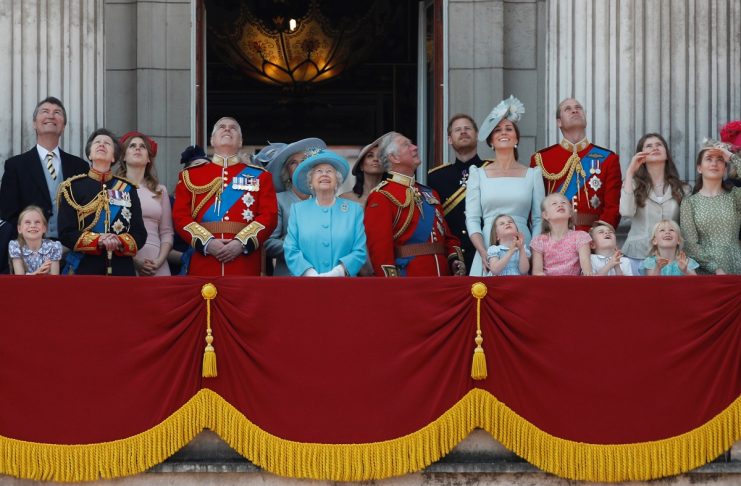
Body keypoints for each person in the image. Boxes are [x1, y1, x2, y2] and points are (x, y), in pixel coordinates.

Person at [172, 117, 278, 276]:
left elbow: (269, 216)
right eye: (221, 127)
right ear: (212, 140)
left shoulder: (260, 176)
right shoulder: (190, 176)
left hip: (244, 261)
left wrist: (241, 243)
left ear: (241, 142)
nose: (227, 129)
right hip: (204, 259)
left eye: (233, 128)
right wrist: (207, 243)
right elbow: (180, 216)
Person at [364, 131, 466, 277]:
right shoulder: (381, 196)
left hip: (443, 279)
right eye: (407, 145)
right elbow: (380, 250)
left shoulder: (430, 193)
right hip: (410, 281)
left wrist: (454, 260)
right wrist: (392, 285)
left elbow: (447, 237)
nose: (415, 147)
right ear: (394, 157)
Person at [466, 96, 544, 276]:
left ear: (516, 138)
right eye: (497, 130)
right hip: (487, 245)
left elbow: (539, 220)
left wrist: (532, 252)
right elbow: (472, 219)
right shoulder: (477, 174)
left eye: (509, 129)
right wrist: (483, 251)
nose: (503, 132)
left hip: (523, 247)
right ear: (491, 141)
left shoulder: (533, 174)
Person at [57, 128, 146, 275]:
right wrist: (97, 240)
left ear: (114, 157)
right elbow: (66, 232)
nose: (102, 145)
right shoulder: (72, 188)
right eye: (97, 142)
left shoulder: (128, 189)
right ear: (90, 154)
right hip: (85, 268)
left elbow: (140, 233)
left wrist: (119, 241)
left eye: (107, 143)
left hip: (121, 269)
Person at [0, 97, 89, 242]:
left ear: (63, 125)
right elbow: (7, 213)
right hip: (29, 249)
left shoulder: (80, 166)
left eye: (57, 112)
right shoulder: (15, 165)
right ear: (34, 123)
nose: (51, 115)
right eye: (45, 111)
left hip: (72, 250)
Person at [531, 98, 621, 231]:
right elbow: (536, 209)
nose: (574, 110)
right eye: (568, 109)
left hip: (593, 237)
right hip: (555, 238)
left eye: (578, 108)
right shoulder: (541, 159)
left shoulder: (608, 158)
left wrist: (599, 235)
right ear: (559, 122)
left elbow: (613, 207)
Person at [284, 150, 367, 276]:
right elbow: (291, 249)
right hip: (305, 284)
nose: (324, 174)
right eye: (318, 171)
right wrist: (309, 273)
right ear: (310, 182)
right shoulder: (298, 210)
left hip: (343, 285)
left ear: (337, 181)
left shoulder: (354, 210)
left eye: (329, 171)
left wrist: (338, 272)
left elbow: (359, 250)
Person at [427, 114, 490, 271]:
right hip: (452, 255)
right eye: (458, 130)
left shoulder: (491, 170)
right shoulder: (436, 177)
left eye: (467, 129)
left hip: (486, 250)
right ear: (449, 139)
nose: (463, 132)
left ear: (477, 136)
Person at [619, 133, 688, 274]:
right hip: (637, 255)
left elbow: (686, 225)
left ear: (667, 154)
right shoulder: (632, 184)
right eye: (649, 146)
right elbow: (625, 212)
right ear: (641, 156)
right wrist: (630, 171)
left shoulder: (682, 189)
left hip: (671, 258)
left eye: (659, 145)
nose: (655, 148)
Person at [264, 138, 327, 276]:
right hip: (289, 276)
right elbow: (268, 243)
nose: (300, 166)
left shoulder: (325, 200)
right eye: (293, 163)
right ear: (287, 172)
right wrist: (299, 247)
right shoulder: (278, 200)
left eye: (304, 161)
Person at [115, 131, 173, 276]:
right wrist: (135, 261)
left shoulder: (160, 190)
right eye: (132, 146)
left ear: (149, 158)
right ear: (123, 156)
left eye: (142, 146)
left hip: (157, 262)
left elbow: (166, 232)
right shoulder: (114, 188)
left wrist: (159, 260)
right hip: (125, 260)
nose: (137, 148)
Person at [679, 146, 741, 274]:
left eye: (719, 159)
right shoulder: (689, 203)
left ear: (724, 168)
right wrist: (715, 268)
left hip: (736, 264)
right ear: (699, 168)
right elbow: (690, 244)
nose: (714, 163)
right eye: (709, 159)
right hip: (706, 271)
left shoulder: (735, 196)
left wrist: (731, 157)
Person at [530, 193, 592, 276]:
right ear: (545, 215)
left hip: (574, 286)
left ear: (570, 213)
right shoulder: (539, 241)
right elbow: (537, 273)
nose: (560, 205)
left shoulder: (580, 237)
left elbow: (587, 271)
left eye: (563, 203)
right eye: (554, 203)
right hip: (548, 286)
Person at [8, 205, 62, 275]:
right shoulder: (15, 247)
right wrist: (37, 273)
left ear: (44, 228)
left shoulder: (54, 247)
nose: (33, 225)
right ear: (19, 229)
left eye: (37, 222)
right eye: (27, 222)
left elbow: (55, 279)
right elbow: (19, 279)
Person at [340, 136, 386, 207]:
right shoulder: (345, 199)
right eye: (370, 156)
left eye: (380, 156)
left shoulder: (393, 200)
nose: (376, 159)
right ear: (361, 165)